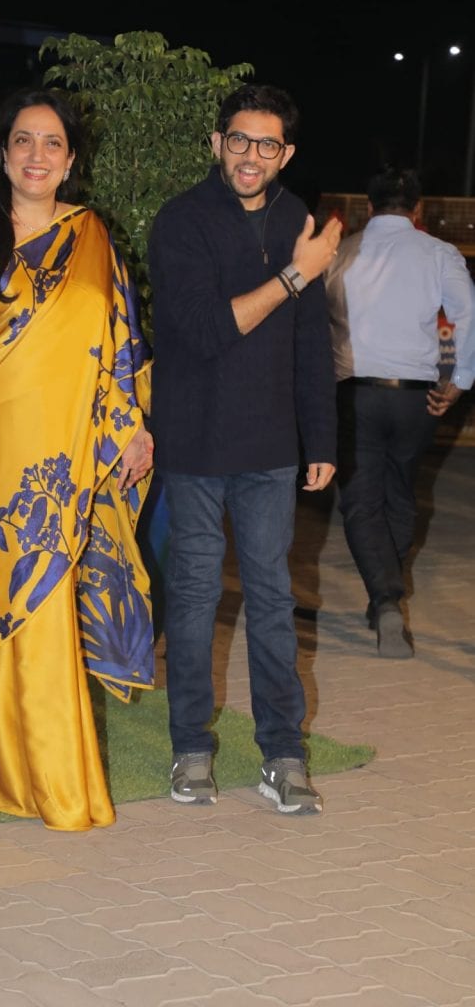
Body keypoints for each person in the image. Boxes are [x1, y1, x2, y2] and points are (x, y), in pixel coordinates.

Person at [0, 88, 155, 832]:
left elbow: (117, 349)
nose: (37, 155)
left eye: (52, 144)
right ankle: (21, 773)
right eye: (24, 141)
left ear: (71, 160)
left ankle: (26, 770)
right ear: (5, 152)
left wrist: (131, 427)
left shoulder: (93, 238)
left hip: (62, 450)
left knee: (46, 599)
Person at [147, 83, 342, 815]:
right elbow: (204, 329)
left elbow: (307, 340)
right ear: (216, 143)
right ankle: (190, 749)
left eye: (266, 144)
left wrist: (319, 435)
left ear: (284, 153)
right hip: (196, 440)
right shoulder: (181, 222)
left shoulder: (296, 218)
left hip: (269, 446)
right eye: (238, 140)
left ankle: (282, 756)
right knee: (195, 598)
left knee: (270, 599)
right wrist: (295, 273)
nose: (250, 156)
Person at [324, 165, 475, 658]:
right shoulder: (438, 253)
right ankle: (383, 596)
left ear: (368, 208)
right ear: (418, 209)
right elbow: (467, 312)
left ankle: (386, 599)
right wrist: (460, 382)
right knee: (401, 494)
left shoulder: (343, 253)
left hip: (356, 393)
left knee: (362, 503)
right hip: (417, 397)